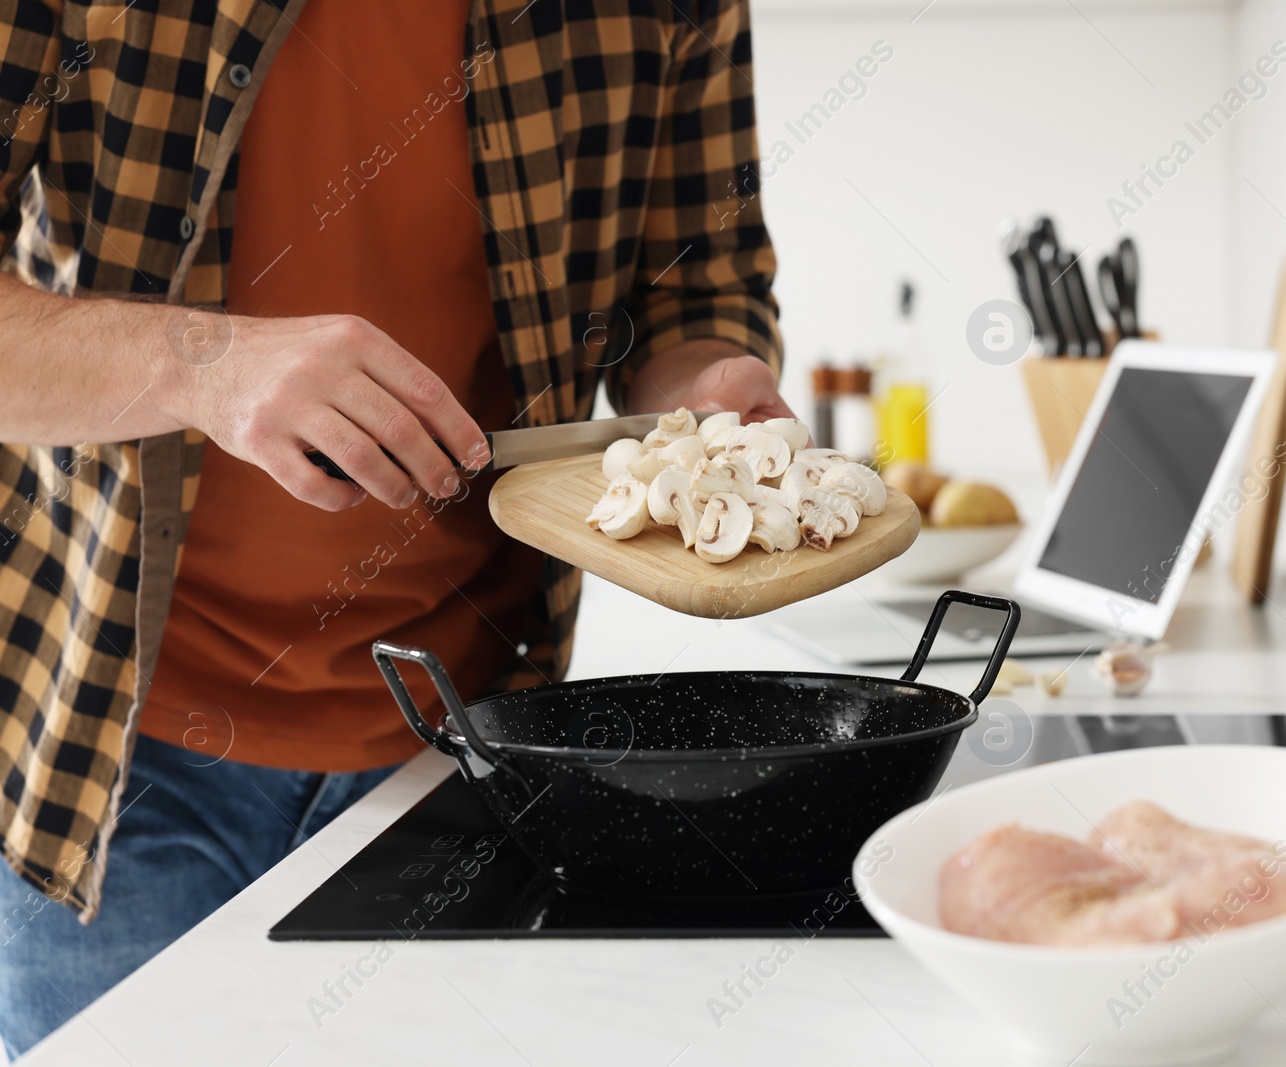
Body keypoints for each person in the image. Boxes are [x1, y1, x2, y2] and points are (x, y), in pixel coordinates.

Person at [0, 0, 791, 1055]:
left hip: (466, 746)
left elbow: (696, 283)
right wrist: (203, 363)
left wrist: (704, 390)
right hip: (112, 755)